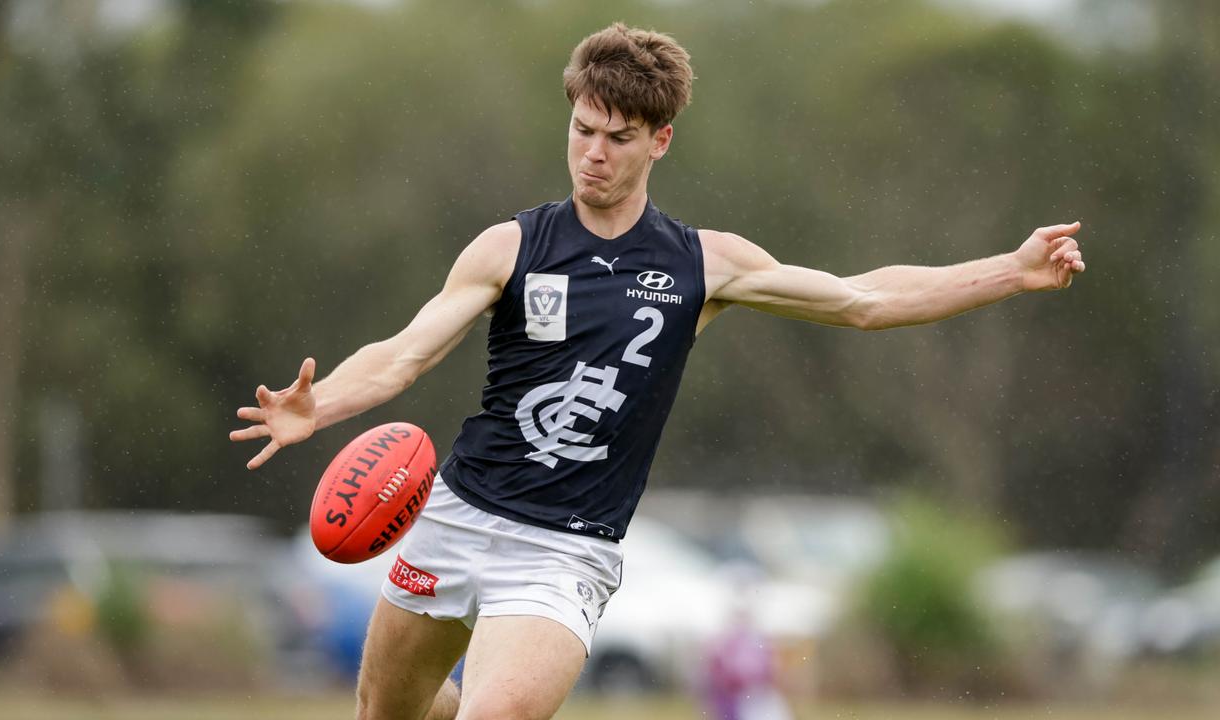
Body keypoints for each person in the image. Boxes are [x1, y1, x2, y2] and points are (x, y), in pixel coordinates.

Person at [231, 22, 1085, 720]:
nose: (593, 154)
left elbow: (862, 298)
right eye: (581, 130)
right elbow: (407, 351)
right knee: (387, 715)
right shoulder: (511, 246)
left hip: (563, 550)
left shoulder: (704, 264)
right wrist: (325, 404)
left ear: (660, 140)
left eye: (618, 138)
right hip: (457, 516)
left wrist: (1009, 271)